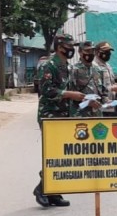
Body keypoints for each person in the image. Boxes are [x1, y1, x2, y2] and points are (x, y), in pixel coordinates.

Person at [33, 34, 86, 207]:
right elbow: (47, 90)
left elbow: (71, 89)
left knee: (62, 155)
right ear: (59, 47)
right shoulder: (49, 65)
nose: (71, 49)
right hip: (50, 114)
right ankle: (43, 188)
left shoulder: (67, 67)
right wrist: (69, 94)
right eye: (68, 46)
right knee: (52, 153)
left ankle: (53, 192)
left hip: (65, 114)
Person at [69, 41, 109, 117]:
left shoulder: (99, 70)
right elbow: (71, 94)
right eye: (87, 51)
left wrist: (107, 101)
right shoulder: (73, 70)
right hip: (80, 114)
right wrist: (87, 101)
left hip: (97, 114)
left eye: (92, 51)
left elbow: (104, 92)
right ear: (80, 52)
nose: (90, 53)